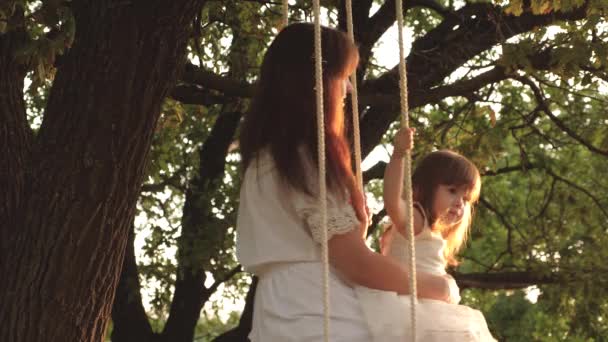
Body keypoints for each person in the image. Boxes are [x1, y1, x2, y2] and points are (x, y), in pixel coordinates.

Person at [236, 23, 454, 341]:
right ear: (315, 83)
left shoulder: (265, 157)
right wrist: (433, 286)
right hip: (316, 307)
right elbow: (355, 263)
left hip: (278, 308)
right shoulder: (305, 158)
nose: (350, 89)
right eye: (343, 76)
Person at [354, 126, 497, 341]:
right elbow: (392, 201)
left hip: (430, 306)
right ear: (424, 188)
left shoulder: (434, 233)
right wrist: (399, 154)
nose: (460, 203)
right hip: (410, 305)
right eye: (452, 191)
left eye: (466, 199)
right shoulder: (415, 219)